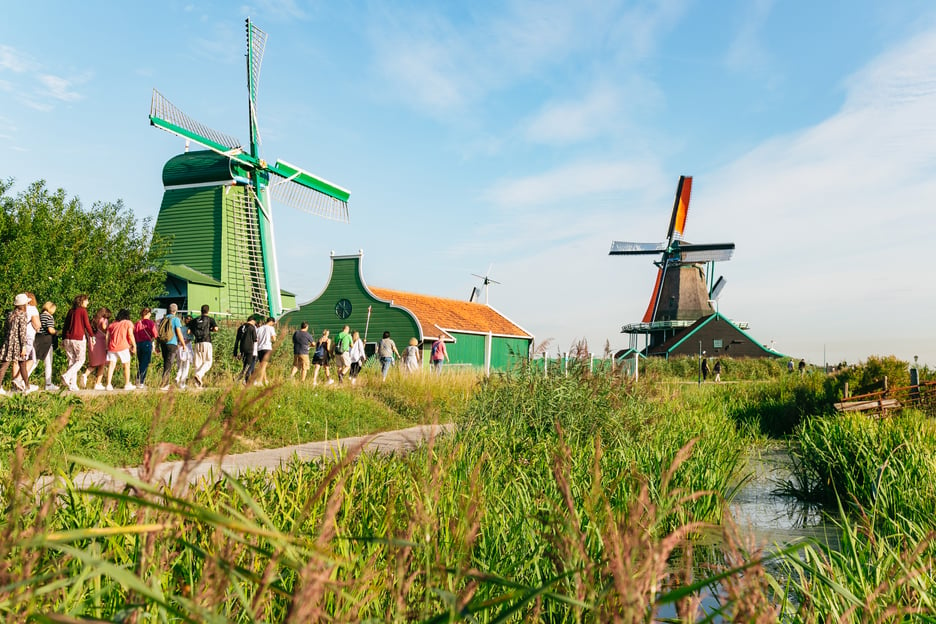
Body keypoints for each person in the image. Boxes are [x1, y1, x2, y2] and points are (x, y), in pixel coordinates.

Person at [0, 294, 34, 394]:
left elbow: (5, 329)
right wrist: (23, 346)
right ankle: (27, 387)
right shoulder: (23, 315)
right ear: (24, 304)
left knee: (4, 365)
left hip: (8, 342)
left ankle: (1, 386)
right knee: (22, 364)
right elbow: (22, 332)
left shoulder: (10, 314)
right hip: (18, 343)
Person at [61, 294, 95, 392]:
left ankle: (72, 384)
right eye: (86, 300)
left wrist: (63, 338)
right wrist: (92, 335)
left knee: (72, 360)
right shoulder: (83, 311)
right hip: (78, 338)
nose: (87, 302)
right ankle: (67, 376)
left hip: (67, 338)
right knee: (80, 360)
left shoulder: (71, 311)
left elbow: (65, 325)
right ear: (81, 301)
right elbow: (87, 325)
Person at [12, 292, 41, 392]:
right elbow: (37, 324)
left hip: (16, 336)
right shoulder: (32, 309)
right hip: (28, 336)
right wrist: (38, 328)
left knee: (16, 360)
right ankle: (18, 379)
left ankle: (15, 385)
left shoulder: (16, 310)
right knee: (30, 359)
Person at [105, 308, 137, 390]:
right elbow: (130, 335)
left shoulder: (112, 324)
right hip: (123, 347)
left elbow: (107, 336)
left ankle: (108, 385)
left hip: (112, 347)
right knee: (126, 365)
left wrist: (106, 346)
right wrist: (134, 345)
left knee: (111, 366)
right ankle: (127, 384)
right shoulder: (128, 323)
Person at [188, 304, 219, 387]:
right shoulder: (210, 319)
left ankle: (197, 384)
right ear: (208, 311)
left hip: (197, 342)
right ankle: (199, 374)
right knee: (208, 362)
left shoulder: (195, 320)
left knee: (198, 363)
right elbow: (216, 329)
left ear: (201, 311)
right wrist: (210, 329)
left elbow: (189, 331)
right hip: (206, 342)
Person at [158, 303, 186, 390]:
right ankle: (164, 384)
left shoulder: (163, 319)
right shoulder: (176, 319)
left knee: (166, 362)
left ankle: (164, 382)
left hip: (163, 343)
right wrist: (183, 344)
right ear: (175, 310)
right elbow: (179, 332)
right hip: (172, 343)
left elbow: (160, 332)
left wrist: (157, 345)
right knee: (169, 363)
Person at [85, 307, 111, 390]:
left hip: (93, 341)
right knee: (102, 363)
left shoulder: (94, 319)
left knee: (94, 363)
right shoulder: (104, 320)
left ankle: (85, 375)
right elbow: (104, 327)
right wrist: (107, 329)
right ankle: (98, 383)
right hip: (101, 342)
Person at [35, 301, 58, 391]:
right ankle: (48, 384)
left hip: (38, 339)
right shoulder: (49, 317)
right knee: (48, 362)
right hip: (47, 341)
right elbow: (50, 329)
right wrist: (56, 332)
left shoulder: (39, 315)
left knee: (34, 361)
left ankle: (23, 379)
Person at [134, 307, 157, 386]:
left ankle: (138, 379)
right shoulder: (150, 323)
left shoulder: (137, 323)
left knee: (140, 362)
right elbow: (155, 334)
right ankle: (141, 381)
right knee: (145, 362)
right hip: (147, 343)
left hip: (138, 344)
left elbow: (135, 334)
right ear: (149, 313)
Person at [233, 315, 258, 384]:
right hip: (250, 348)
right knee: (248, 365)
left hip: (242, 348)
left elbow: (237, 340)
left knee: (245, 364)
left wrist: (235, 352)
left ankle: (246, 381)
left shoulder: (240, 327)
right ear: (253, 321)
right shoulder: (252, 327)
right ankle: (239, 379)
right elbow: (255, 339)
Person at [251, 317, 276, 386]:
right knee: (264, 366)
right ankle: (259, 381)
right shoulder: (271, 328)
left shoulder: (259, 329)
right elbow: (274, 339)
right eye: (273, 323)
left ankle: (265, 380)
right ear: (271, 322)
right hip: (267, 348)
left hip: (259, 349)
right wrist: (272, 340)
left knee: (262, 365)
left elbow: (256, 339)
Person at [175, 316, 194, 389]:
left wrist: (180, 343)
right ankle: (182, 382)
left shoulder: (181, 328)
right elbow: (190, 339)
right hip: (186, 346)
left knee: (180, 364)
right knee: (186, 365)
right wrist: (184, 343)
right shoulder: (190, 329)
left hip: (179, 346)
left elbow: (178, 337)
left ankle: (177, 377)